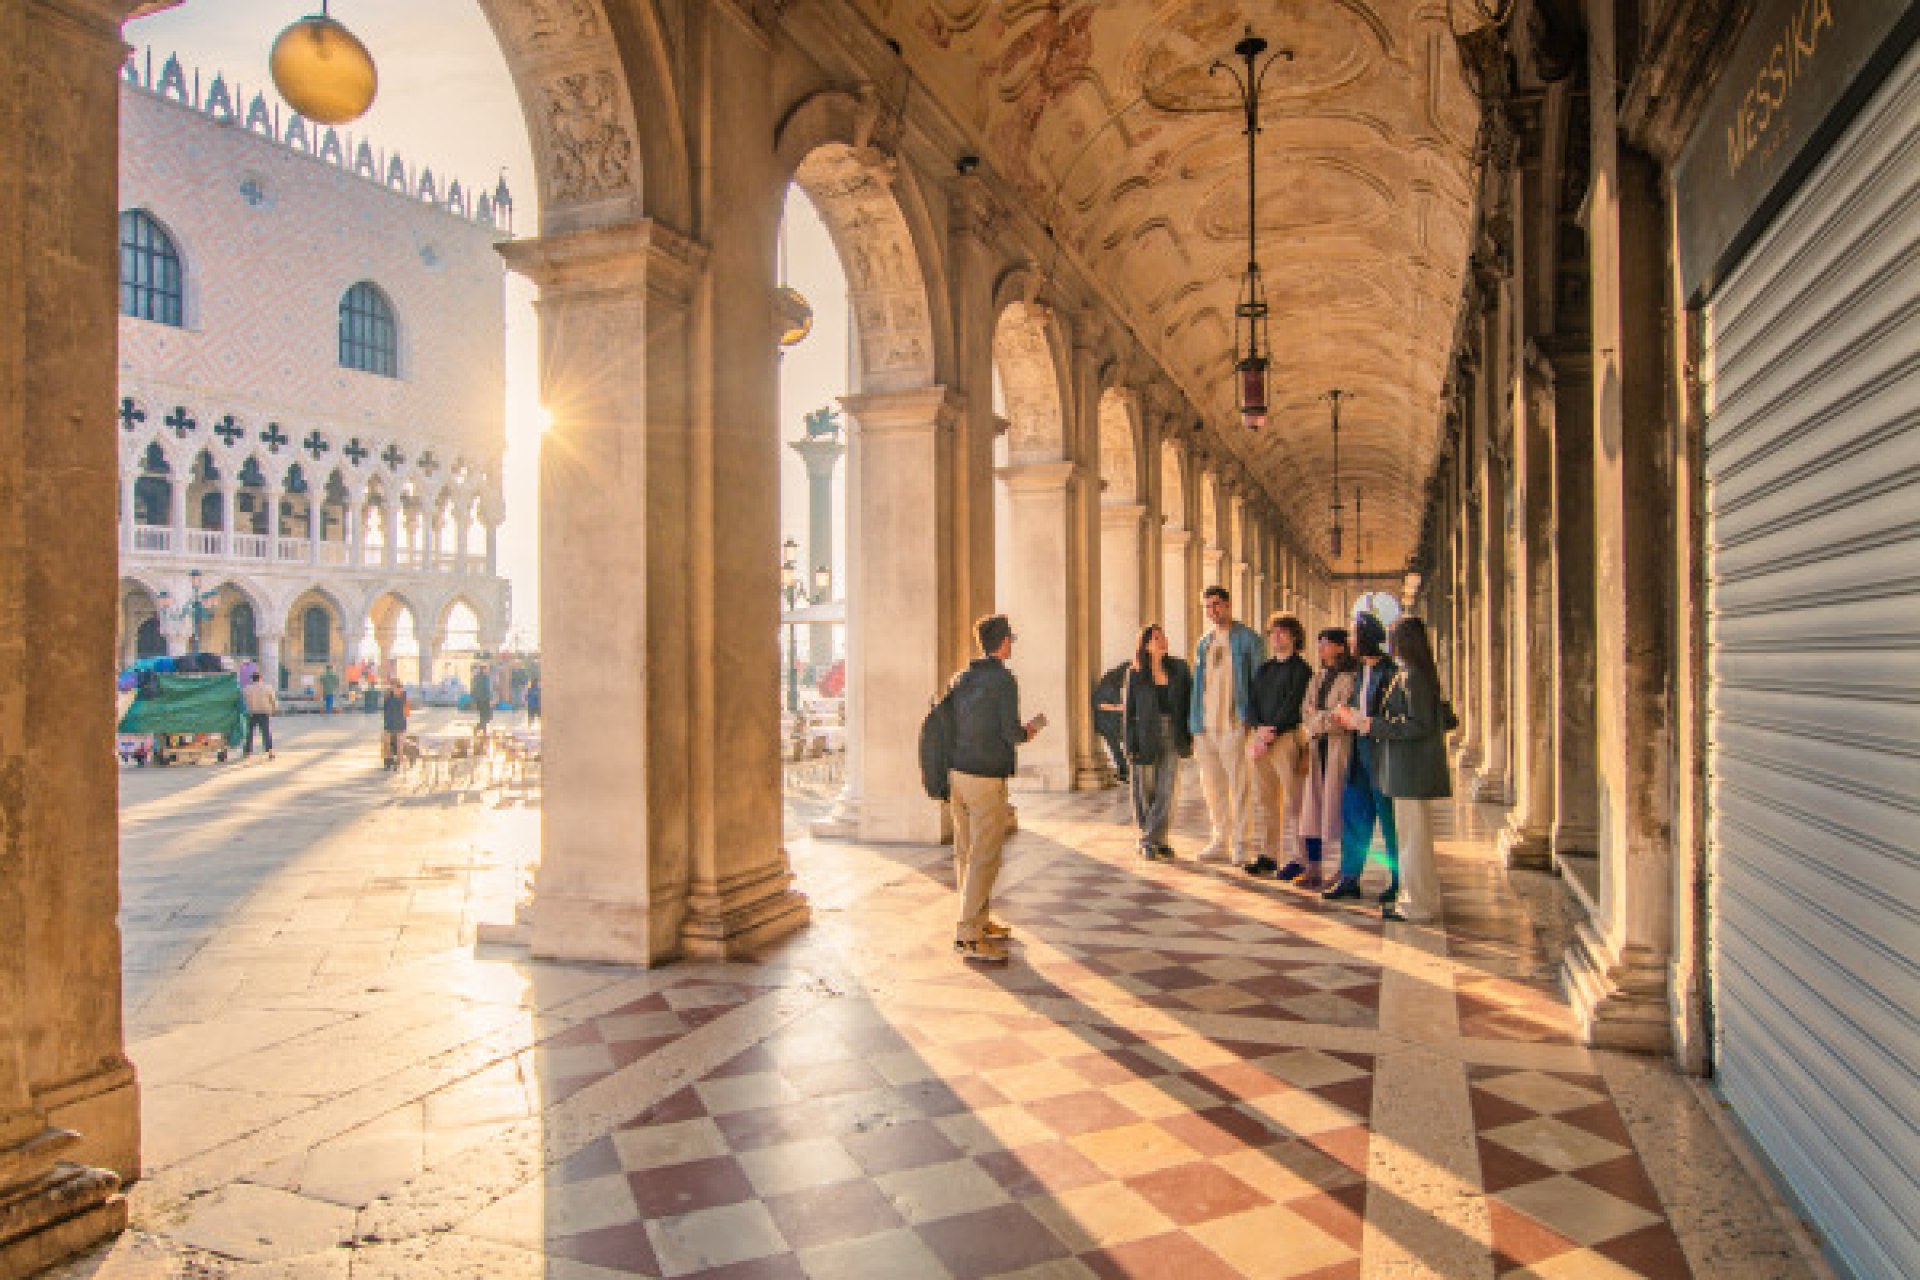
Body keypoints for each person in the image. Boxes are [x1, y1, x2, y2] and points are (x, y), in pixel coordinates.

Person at [948, 614, 1045, 964]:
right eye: (1010, 639)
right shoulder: (1004, 680)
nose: (1011, 645)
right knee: (985, 855)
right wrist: (1029, 731)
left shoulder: (961, 677)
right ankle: (968, 935)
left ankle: (978, 919)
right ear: (1003, 642)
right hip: (985, 776)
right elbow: (1011, 733)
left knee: (966, 853)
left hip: (956, 772)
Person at [1345, 617, 1451, 923]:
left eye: (1392, 636)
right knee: (1410, 839)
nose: (1387, 642)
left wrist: (1371, 724)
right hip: (1405, 768)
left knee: (1413, 842)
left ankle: (1418, 905)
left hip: (1411, 770)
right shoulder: (1411, 673)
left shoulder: (1413, 676)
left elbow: (1419, 724)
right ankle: (1416, 898)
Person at [1324, 613, 1400, 902]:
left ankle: (1398, 881)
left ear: (1366, 637)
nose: (1350, 640)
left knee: (1390, 823)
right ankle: (1349, 878)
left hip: (1382, 758)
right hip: (1359, 756)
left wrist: (1361, 719)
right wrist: (1347, 715)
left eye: (1354, 635)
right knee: (1354, 818)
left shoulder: (1390, 672)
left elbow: (1391, 715)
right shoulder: (1359, 672)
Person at [1189, 585, 1263, 864]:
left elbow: (1258, 683)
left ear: (1228, 605)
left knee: (1239, 786)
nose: (1212, 611)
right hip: (1206, 725)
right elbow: (1199, 684)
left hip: (1235, 724)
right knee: (1213, 788)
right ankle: (1220, 840)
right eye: (1208, 606)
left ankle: (1242, 844)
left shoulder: (1248, 640)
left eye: (1217, 604)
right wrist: (1195, 723)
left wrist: (1252, 721)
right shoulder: (1204, 642)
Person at [1287, 628, 1358, 888]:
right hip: (1317, 748)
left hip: (1339, 748)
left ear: (1340, 647)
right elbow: (1305, 711)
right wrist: (1321, 718)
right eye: (1319, 643)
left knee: (1339, 809)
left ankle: (1345, 870)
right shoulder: (1317, 677)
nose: (1320, 648)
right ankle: (1313, 868)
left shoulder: (1350, 678)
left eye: (1325, 643)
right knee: (1312, 811)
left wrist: (1319, 718)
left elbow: (1344, 715)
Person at [1245, 614, 1312, 877]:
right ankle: (1268, 855)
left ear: (1294, 636)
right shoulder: (1264, 669)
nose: (1276, 636)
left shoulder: (1301, 670)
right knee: (1265, 800)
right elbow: (1251, 702)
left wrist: (1269, 733)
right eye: (1272, 632)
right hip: (1262, 738)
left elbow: (1293, 705)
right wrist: (1258, 729)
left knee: (1295, 800)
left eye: (1282, 632)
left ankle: (1298, 857)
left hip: (1286, 739)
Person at [1122, 623, 1193, 861]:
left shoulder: (1180, 668)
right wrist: (1129, 745)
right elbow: (1129, 713)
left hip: (1173, 733)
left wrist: (1192, 734)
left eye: (1162, 636)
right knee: (1145, 790)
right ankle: (1155, 839)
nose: (1162, 641)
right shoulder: (1135, 673)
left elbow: (1190, 702)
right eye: (1155, 638)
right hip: (1145, 735)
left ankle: (1150, 840)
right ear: (1145, 646)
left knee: (1167, 790)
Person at [1091, 661, 1131, 783]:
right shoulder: (1109, 685)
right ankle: (1124, 772)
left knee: (1118, 747)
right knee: (1117, 747)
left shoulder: (1114, 684)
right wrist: (1119, 708)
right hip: (1107, 722)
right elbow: (1099, 704)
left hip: (1111, 721)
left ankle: (1124, 772)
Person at [241, 671, 277, 760]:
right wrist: (274, 709)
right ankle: (270, 752)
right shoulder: (267, 687)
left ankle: (247, 752)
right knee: (266, 732)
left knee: (249, 733)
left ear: (252, 679)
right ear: (260, 678)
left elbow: (242, 701)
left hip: (251, 713)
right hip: (264, 712)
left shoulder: (246, 689)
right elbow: (272, 700)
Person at [381, 677, 410, 770]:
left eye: (400, 687)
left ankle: (398, 762)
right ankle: (388, 760)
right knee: (386, 743)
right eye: (396, 687)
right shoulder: (387, 695)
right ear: (392, 687)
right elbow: (384, 709)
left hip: (400, 723)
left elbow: (407, 712)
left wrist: (404, 715)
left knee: (400, 744)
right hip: (389, 723)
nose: (398, 689)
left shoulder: (404, 696)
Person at [471, 664, 493, 729]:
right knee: (486, 715)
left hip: (480, 699)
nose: (487, 671)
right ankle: (479, 727)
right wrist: (490, 698)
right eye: (486, 669)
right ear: (483, 670)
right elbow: (487, 688)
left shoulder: (476, 677)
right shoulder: (485, 678)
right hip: (484, 699)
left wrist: (474, 700)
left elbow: (474, 689)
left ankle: (481, 728)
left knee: (483, 715)